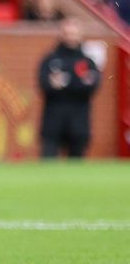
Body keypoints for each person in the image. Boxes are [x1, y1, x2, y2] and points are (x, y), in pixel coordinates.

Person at [37, 18, 100, 160]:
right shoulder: (50, 59)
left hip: (79, 123)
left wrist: (65, 84)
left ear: (80, 35)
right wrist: (75, 84)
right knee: (48, 162)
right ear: (61, 34)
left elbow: (93, 85)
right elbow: (44, 84)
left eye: (74, 34)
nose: (70, 37)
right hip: (53, 122)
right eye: (67, 33)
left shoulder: (87, 62)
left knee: (77, 166)